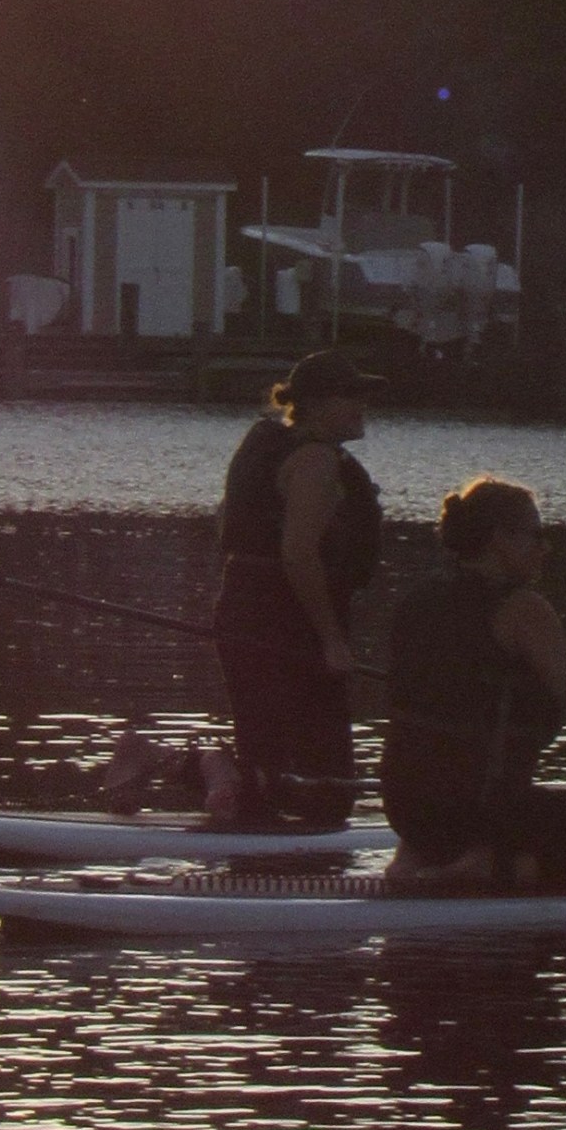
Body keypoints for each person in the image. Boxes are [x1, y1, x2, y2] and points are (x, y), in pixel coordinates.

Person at [380, 476, 566, 892]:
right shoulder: (522, 609)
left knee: (463, 780)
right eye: (535, 535)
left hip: (402, 802)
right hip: (476, 808)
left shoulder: (419, 599)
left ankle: (414, 857)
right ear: (499, 539)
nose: (545, 548)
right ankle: (481, 868)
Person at [210, 348, 386, 827]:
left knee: (265, 756)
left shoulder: (268, 447)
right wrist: (331, 640)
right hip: (286, 627)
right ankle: (279, 855)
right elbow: (299, 554)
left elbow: (229, 523)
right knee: (329, 787)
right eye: (351, 395)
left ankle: (199, 773)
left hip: (243, 611)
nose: (362, 405)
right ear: (318, 404)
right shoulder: (315, 461)